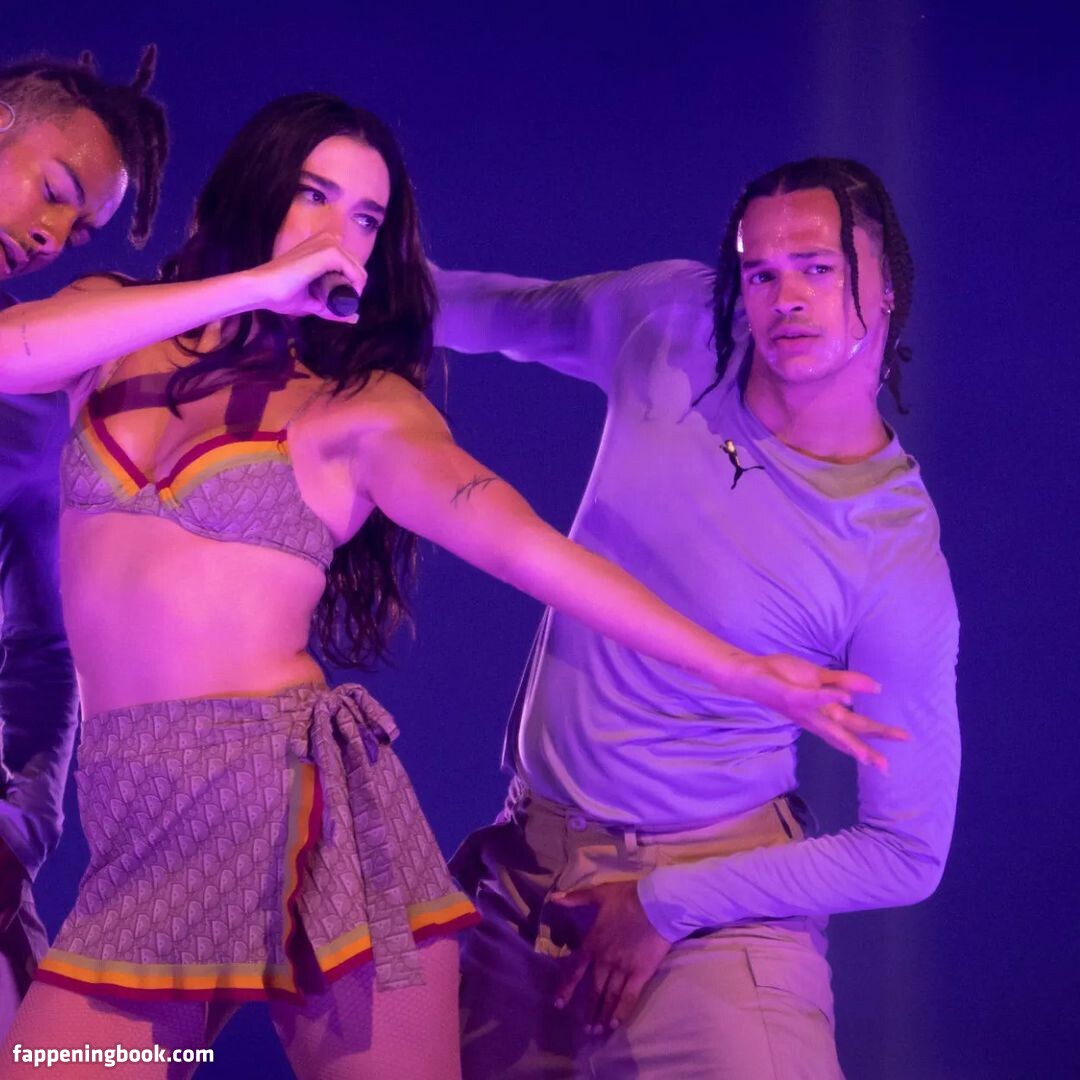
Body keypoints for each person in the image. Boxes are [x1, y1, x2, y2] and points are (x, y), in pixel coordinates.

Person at [0, 101, 890, 1077]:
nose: (339, 233)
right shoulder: (113, 333)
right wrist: (252, 286)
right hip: (144, 837)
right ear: (257, 188)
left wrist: (739, 670)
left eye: (367, 219)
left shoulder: (358, 410)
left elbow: (528, 550)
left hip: (307, 816)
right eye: (314, 195)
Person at [435, 157, 960, 1078]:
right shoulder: (675, 323)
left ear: (886, 289)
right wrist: (332, 276)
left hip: (709, 918)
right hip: (521, 883)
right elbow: (489, 312)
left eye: (819, 267)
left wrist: (667, 904)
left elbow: (907, 851)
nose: (785, 297)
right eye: (761, 272)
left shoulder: (891, 549)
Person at [0, 47, 167, 1037]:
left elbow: (43, 644)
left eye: (78, 227)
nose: (51, 236)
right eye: (55, 193)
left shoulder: (25, 407)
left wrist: (19, 830)